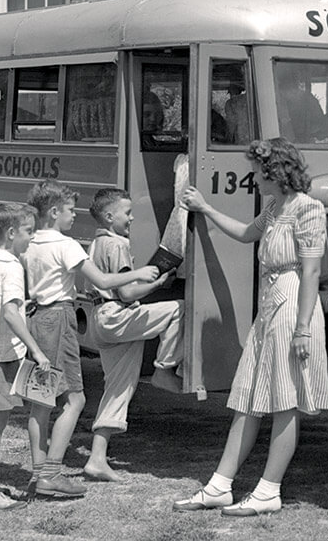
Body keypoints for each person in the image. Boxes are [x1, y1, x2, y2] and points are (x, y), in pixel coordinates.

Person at [175, 137, 328, 517]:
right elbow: (246, 233)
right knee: (248, 397)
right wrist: (206, 209)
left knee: (285, 400)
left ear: (274, 171)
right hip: (270, 305)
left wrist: (304, 328)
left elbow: (311, 270)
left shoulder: (309, 209)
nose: (254, 179)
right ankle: (219, 486)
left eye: (258, 172)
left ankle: (268, 491)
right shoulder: (275, 206)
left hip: (294, 305)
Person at [23, 179, 158, 498]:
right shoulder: (65, 245)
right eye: (70, 210)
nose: (75, 216)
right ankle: (52, 474)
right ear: (54, 212)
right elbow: (103, 279)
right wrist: (139, 274)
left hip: (36, 319)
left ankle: (38, 473)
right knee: (75, 399)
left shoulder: (29, 243)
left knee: (40, 405)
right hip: (59, 320)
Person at [81, 188, 184, 483]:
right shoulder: (117, 245)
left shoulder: (97, 243)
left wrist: (158, 283)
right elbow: (127, 293)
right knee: (180, 309)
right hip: (117, 315)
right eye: (127, 213)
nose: (132, 218)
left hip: (102, 318)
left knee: (117, 390)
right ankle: (164, 370)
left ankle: (96, 459)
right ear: (109, 216)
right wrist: (156, 284)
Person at [0, 203, 52, 511]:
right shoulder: (13, 266)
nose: (32, 237)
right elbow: (10, 314)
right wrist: (37, 349)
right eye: (29, 231)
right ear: (12, 233)